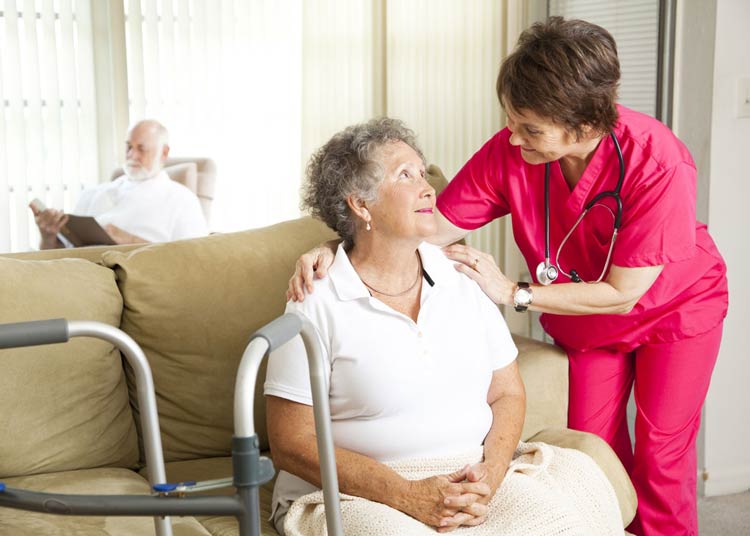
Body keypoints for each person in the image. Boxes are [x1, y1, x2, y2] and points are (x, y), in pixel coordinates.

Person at [287, 18, 728, 536]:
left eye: (532, 128)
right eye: (512, 120)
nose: (514, 137)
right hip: (586, 319)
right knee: (590, 450)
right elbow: (424, 227)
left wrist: (511, 292)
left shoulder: (657, 161)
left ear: (584, 126)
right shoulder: (512, 151)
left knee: (661, 458)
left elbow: (625, 292)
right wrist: (337, 246)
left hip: (674, 312)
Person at [266, 118, 622, 536]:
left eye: (422, 171)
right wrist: (405, 494)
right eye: (405, 175)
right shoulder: (316, 297)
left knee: (562, 521)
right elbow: (291, 442)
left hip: (469, 476)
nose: (428, 187)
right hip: (360, 493)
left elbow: (507, 391)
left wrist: (491, 473)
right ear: (361, 205)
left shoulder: (460, 276)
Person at [30, 119, 208, 249]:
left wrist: (128, 240)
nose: (132, 155)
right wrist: (48, 237)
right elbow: (60, 259)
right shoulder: (94, 193)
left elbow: (192, 260)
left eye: (141, 149)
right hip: (78, 274)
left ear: (164, 152)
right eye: (129, 147)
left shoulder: (181, 199)